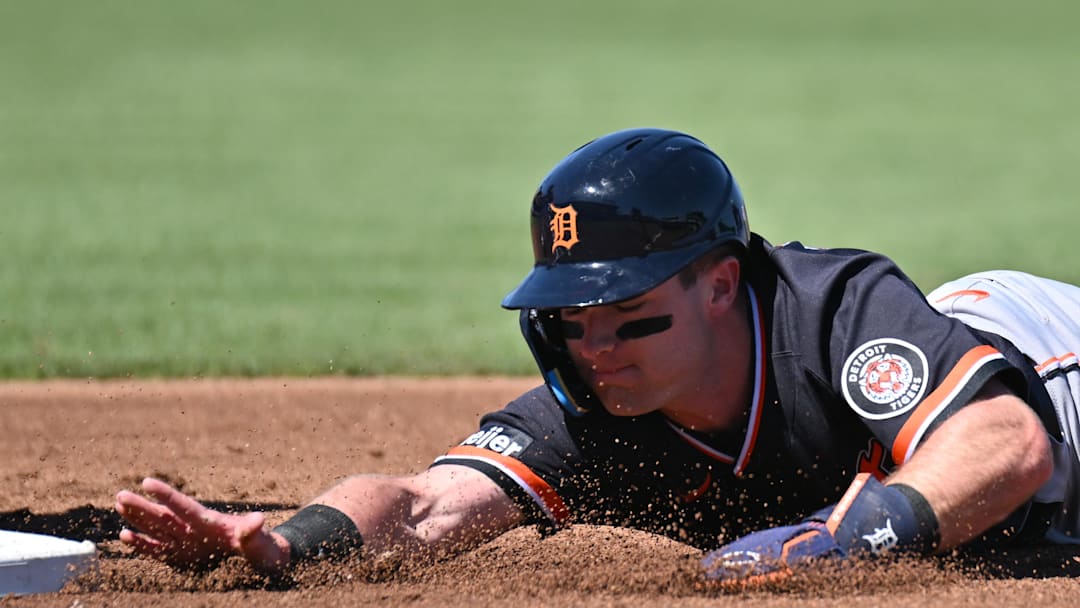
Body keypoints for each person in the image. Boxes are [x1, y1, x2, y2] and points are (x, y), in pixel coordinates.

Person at [115, 127, 1080, 582]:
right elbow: (421, 503)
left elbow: (1007, 443)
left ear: (717, 281)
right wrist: (287, 542)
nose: (596, 347)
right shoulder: (594, 407)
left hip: (1050, 363)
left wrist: (844, 540)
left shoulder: (831, 312)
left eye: (626, 313)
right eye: (573, 319)